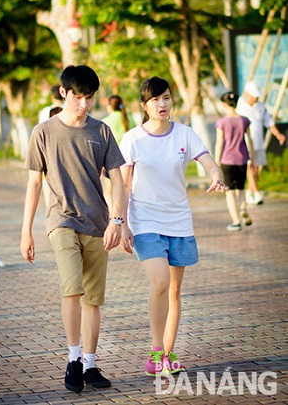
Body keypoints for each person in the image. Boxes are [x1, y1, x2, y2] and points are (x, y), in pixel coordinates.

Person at [20, 65, 126, 393]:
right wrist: (26, 231)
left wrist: (117, 221)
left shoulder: (102, 131)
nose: (83, 103)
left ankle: (91, 365)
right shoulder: (43, 132)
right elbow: (34, 183)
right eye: (77, 96)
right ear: (63, 93)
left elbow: (118, 180)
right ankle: (73, 358)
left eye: (89, 97)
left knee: (93, 299)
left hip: (97, 223)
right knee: (72, 289)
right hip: (61, 221)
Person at [118, 76, 228, 377]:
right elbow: (123, 186)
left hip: (178, 221)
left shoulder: (184, 134)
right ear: (144, 105)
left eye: (165, 97)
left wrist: (216, 176)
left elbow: (207, 160)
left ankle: (168, 353)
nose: (162, 104)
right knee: (160, 282)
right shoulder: (132, 139)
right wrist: (121, 223)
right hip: (144, 221)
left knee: (175, 290)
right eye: (154, 100)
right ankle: (155, 352)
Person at [236, 81, 286, 205]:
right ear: (247, 94)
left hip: (258, 143)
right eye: (253, 96)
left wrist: (278, 135)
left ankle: (249, 192)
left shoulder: (260, 106)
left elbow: (268, 122)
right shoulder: (240, 106)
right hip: (246, 144)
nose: (255, 99)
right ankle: (257, 193)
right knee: (249, 167)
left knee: (257, 169)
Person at [214, 92, 256, 232]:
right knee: (241, 189)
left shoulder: (222, 122)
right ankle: (243, 208)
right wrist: (253, 159)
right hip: (242, 159)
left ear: (225, 105)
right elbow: (249, 140)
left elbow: (219, 143)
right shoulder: (244, 120)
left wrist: (216, 162)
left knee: (230, 192)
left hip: (227, 160)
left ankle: (236, 221)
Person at [101, 95, 135, 211]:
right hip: (129, 161)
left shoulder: (105, 122)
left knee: (108, 193)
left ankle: (113, 215)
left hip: (112, 162)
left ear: (110, 106)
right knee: (126, 189)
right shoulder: (130, 118)